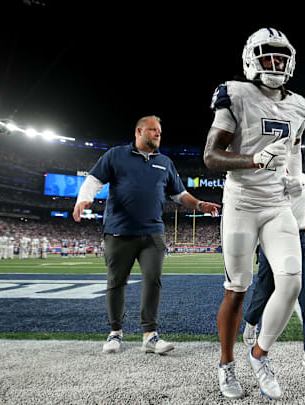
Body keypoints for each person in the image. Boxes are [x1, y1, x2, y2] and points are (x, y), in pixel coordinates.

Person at [204, 28, 305, 400]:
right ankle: (226, 366)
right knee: (237, 290)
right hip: (242, 202)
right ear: (252, 59)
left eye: (281, 57)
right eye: (268, 57)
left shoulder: (299, 106)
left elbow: (293, 150)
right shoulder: (235, 93)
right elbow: (211, 156)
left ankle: (260, 355)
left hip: (277, 203)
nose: (275, 64)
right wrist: (253, 159)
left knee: (291, 281)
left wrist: (296, 180)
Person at [74, 115, 221, 355]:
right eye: (153, 130)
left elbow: (179, 194)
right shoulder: (115, 155)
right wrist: (84, 199)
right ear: (139, 131)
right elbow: (94, 180)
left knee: (153, 280)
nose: (158, 134)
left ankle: (150, 335)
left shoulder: (165, 162)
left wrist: (199, 205)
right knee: (116, 283)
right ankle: (115, 332)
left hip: (153, 233)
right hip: (118, 231)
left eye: (159, 131)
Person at [242, 174, 305, 375]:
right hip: (273, 235)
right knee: (265, 287)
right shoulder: (270, 174)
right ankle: (251, 321)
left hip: (299, 238)